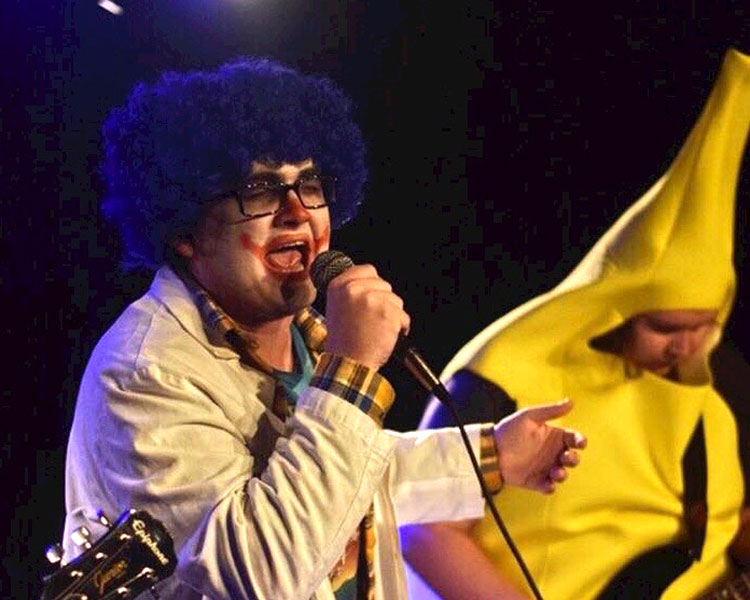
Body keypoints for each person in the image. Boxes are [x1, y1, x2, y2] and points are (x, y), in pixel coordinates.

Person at [61, 57, 587, 600]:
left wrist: (493, 455)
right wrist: (351, 371)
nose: (296, 211)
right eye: (259, 189)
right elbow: (255, 577)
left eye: (309, 183)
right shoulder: (145, 372)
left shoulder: (303, 336)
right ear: (184, 230)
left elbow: (350, 481)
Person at [402, 47, 750, 600]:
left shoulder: (709, 378)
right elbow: (422, 531)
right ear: (615, 305)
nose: (686, 345)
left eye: (704, 324)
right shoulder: (500, 374)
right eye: (665, 326)